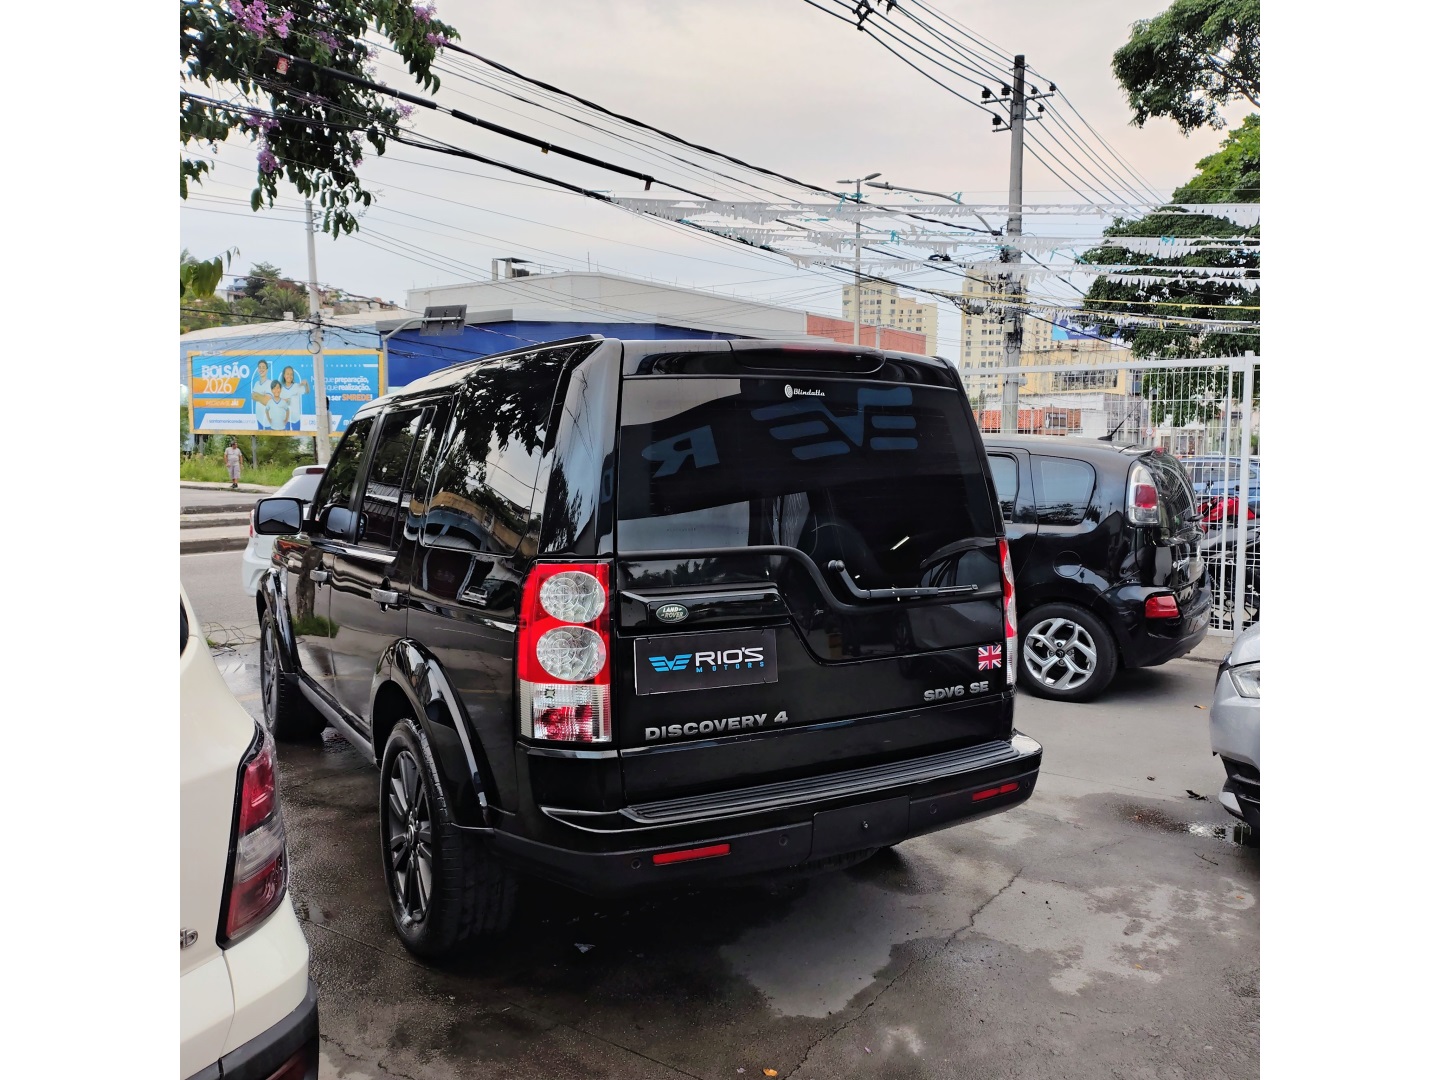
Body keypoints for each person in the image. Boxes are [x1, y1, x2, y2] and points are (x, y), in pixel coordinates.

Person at [279, 365, 310, 431]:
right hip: (285, 420)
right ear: (284, 375)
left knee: (296, 435)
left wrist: (306, 383)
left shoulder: (297, 386)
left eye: (291, 374)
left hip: (296, 420)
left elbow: (307, 391)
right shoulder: (281, 389)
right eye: (287, 374)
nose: (289, 376)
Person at [250, 360, 271, 429]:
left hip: (268, 421)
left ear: (267, 370)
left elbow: (266, 401)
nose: (261, 369)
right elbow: (252, 396)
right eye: (260, 367)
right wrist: (262, 396)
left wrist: (257, 396)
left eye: (263, 367)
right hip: (259, 419)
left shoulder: (270, 383)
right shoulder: (256, 384)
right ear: (258, 370)